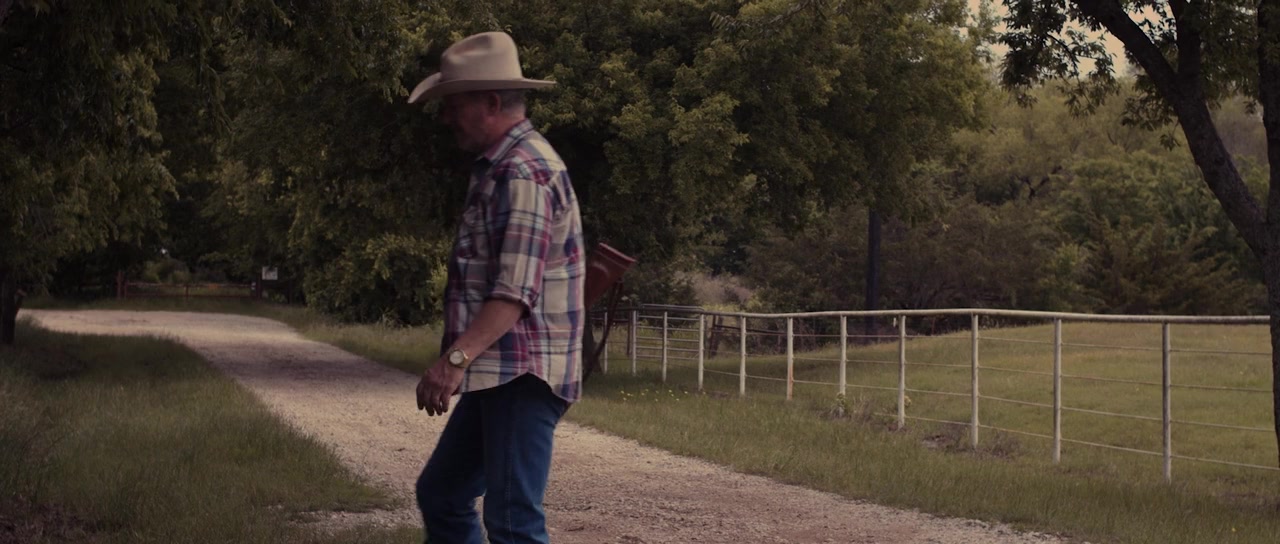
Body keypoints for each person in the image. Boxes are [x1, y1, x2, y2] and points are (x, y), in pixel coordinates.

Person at [408, 31, 585, 544]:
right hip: (500, 370)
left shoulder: (524, 172)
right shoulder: (498, 167)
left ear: (490, 102)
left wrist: (453, 361)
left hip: (522, 373)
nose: (446, 117)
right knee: (443, 494)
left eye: (454, 105)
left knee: (513, 523)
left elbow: (513, 293)